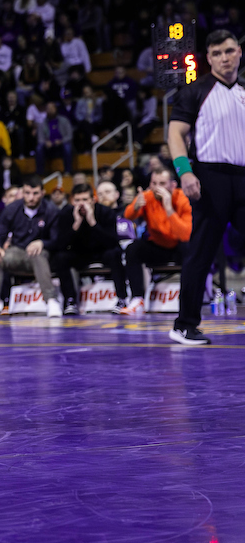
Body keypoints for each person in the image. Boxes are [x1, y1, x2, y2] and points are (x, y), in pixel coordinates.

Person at [168, 30, 245, 344]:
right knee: (200, 253)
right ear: (208, 58)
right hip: (209, 178)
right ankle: (184, 325)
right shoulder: (195, 90)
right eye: (216, 53)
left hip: (243, 177)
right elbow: (175, 135)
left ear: (239, 52)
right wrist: (185, 172)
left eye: (229, 51)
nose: (224, 58)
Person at [0, 175, 62, 320]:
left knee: (38, 254)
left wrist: (42, 243)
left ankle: (51, 301)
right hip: (17, 251)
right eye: (27, 193)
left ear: (42, 193)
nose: (31, 197)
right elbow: (0, 233)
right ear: (22, 193)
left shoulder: (51, 210)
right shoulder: (12, 208)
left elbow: (58, 239)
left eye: (35, 193)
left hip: (43, 254)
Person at [116, 167, 192, 316]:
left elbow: (185, 234)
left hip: (179, 246)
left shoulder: (183, 199)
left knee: (190, 248)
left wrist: (169, 208)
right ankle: (137, 299)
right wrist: (136, 205)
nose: (157, 188)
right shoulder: (147, 196)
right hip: (158, 246)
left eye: (162, 183)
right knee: (133, 249)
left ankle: (190, 299)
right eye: (154, 183)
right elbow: (127, 216)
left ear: (173, 185)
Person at [50, 184, 122, 316]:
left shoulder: (106, 212)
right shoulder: (66, 213)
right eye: (77, 200)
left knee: (115, 253)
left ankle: (122, 298)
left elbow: (112, 242)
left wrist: (92, 222)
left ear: (93, 200)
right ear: (72, 201)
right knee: (60, 257)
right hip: (79, 253)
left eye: (85, 200)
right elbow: (60, 244)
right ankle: (70, 301)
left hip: (102, 251)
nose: (81, 204)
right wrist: (76, 225)